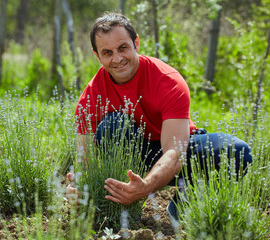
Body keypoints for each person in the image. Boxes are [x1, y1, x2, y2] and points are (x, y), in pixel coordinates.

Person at [67, 12, 252, 224]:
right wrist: (79, 187)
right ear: (97, 56)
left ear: (136, 43)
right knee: (111, 126)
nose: (117, 59)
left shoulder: (168, 81)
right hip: (133, 159)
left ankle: (183, 207)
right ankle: (125, 208)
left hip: (177, 153)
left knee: (237, 151)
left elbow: (175, 151)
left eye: (123, 48)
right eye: (107, 52)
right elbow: (85, 160)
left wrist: (145, 187)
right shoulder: (90, 97)